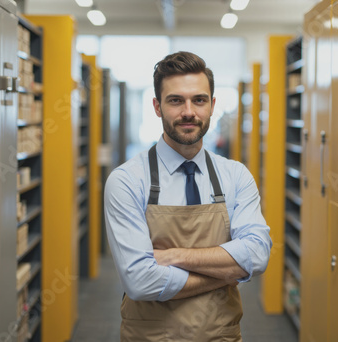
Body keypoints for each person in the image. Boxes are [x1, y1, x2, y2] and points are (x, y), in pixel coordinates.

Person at [104, 51, 272, 341]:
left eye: (199, 100)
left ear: (212, 105)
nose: (188, 112)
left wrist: (174, 256)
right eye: (175, 100)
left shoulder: (236, 175)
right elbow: (140, 282)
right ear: (157, 106)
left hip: (221, 334)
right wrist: (227, 272)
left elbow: (257, 255)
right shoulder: (128, 180)